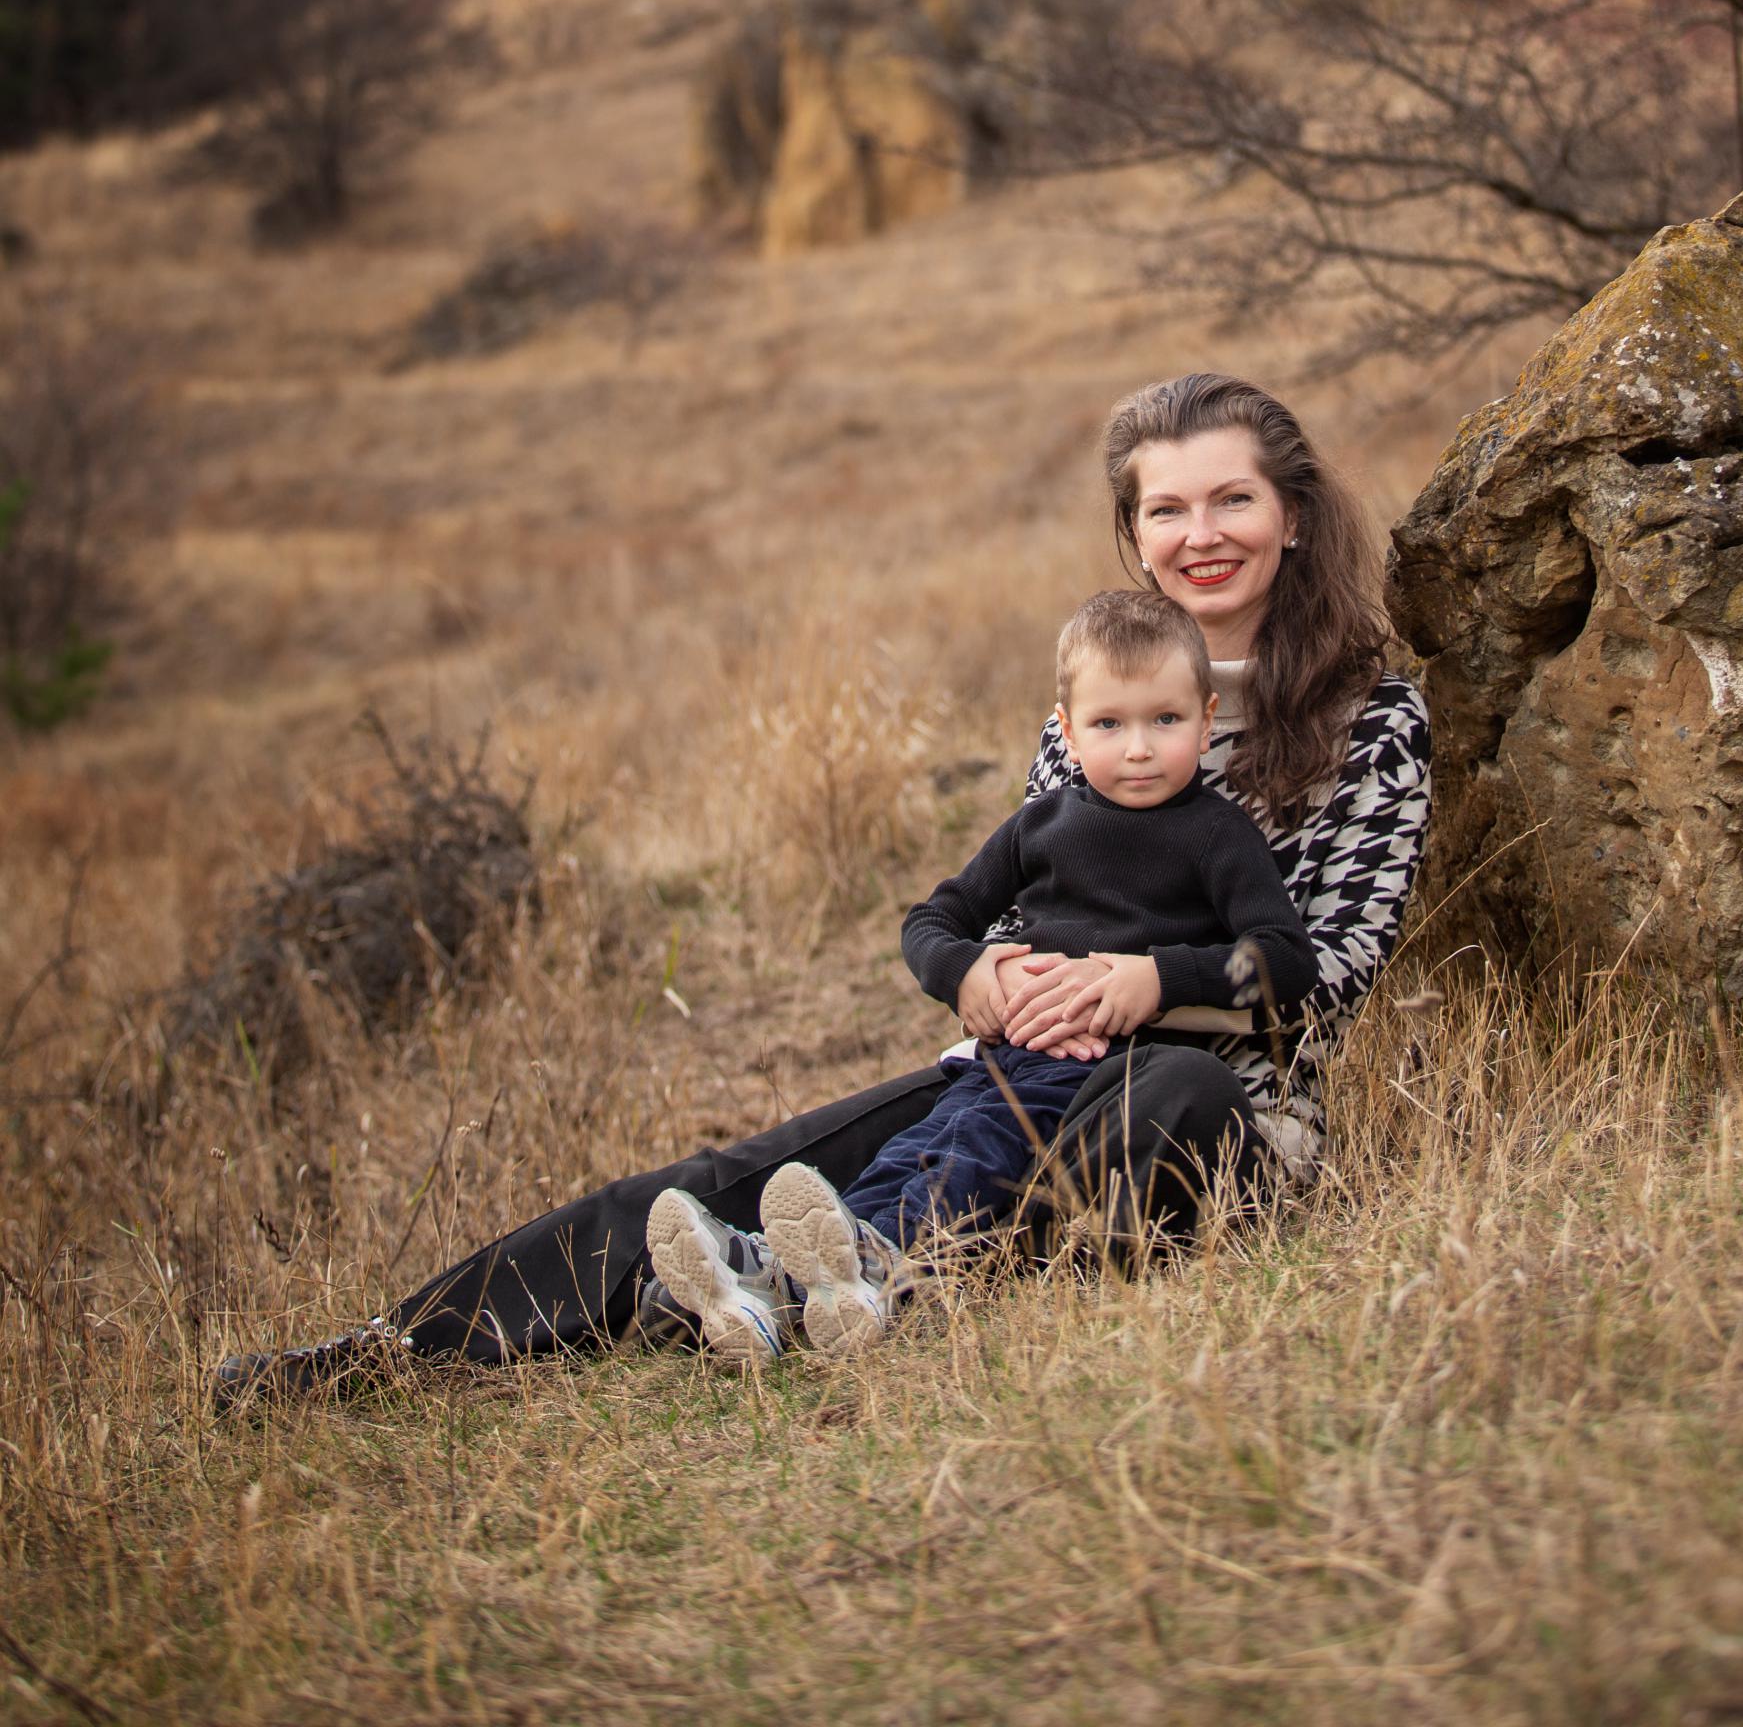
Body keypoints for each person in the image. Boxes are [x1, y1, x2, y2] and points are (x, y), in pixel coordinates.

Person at [215, 369, 1430, 1406]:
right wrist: (988, 977)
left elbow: (1328, 983)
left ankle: (845, 1272)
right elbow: (1011, 907)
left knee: (1168, 1097)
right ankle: (396, 1352)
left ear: (1295, 518)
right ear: (1135, 532)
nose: (1200, 532)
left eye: (1233, 499)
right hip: (1024, 1073)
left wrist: (1138, 984)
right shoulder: (1105, 695)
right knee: (716, 1178)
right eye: (1167, 508)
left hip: (1202, 1102)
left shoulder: (1371, 719)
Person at [642, 584, 1318, 1362]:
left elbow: (1284, 956)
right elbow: (931, 921)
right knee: (922, 1149)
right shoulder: (1042, 825)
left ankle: (852, 1273)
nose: (1138, 747)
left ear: (1205, 719)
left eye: (1164, 721)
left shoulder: (1217, 836)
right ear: (1065, 730)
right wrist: (968, 976)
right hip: (1003, 1060)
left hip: (1114, 1071)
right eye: (1109, 723)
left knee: (975, 1156)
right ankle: (788, 1285)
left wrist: (1157, 978)